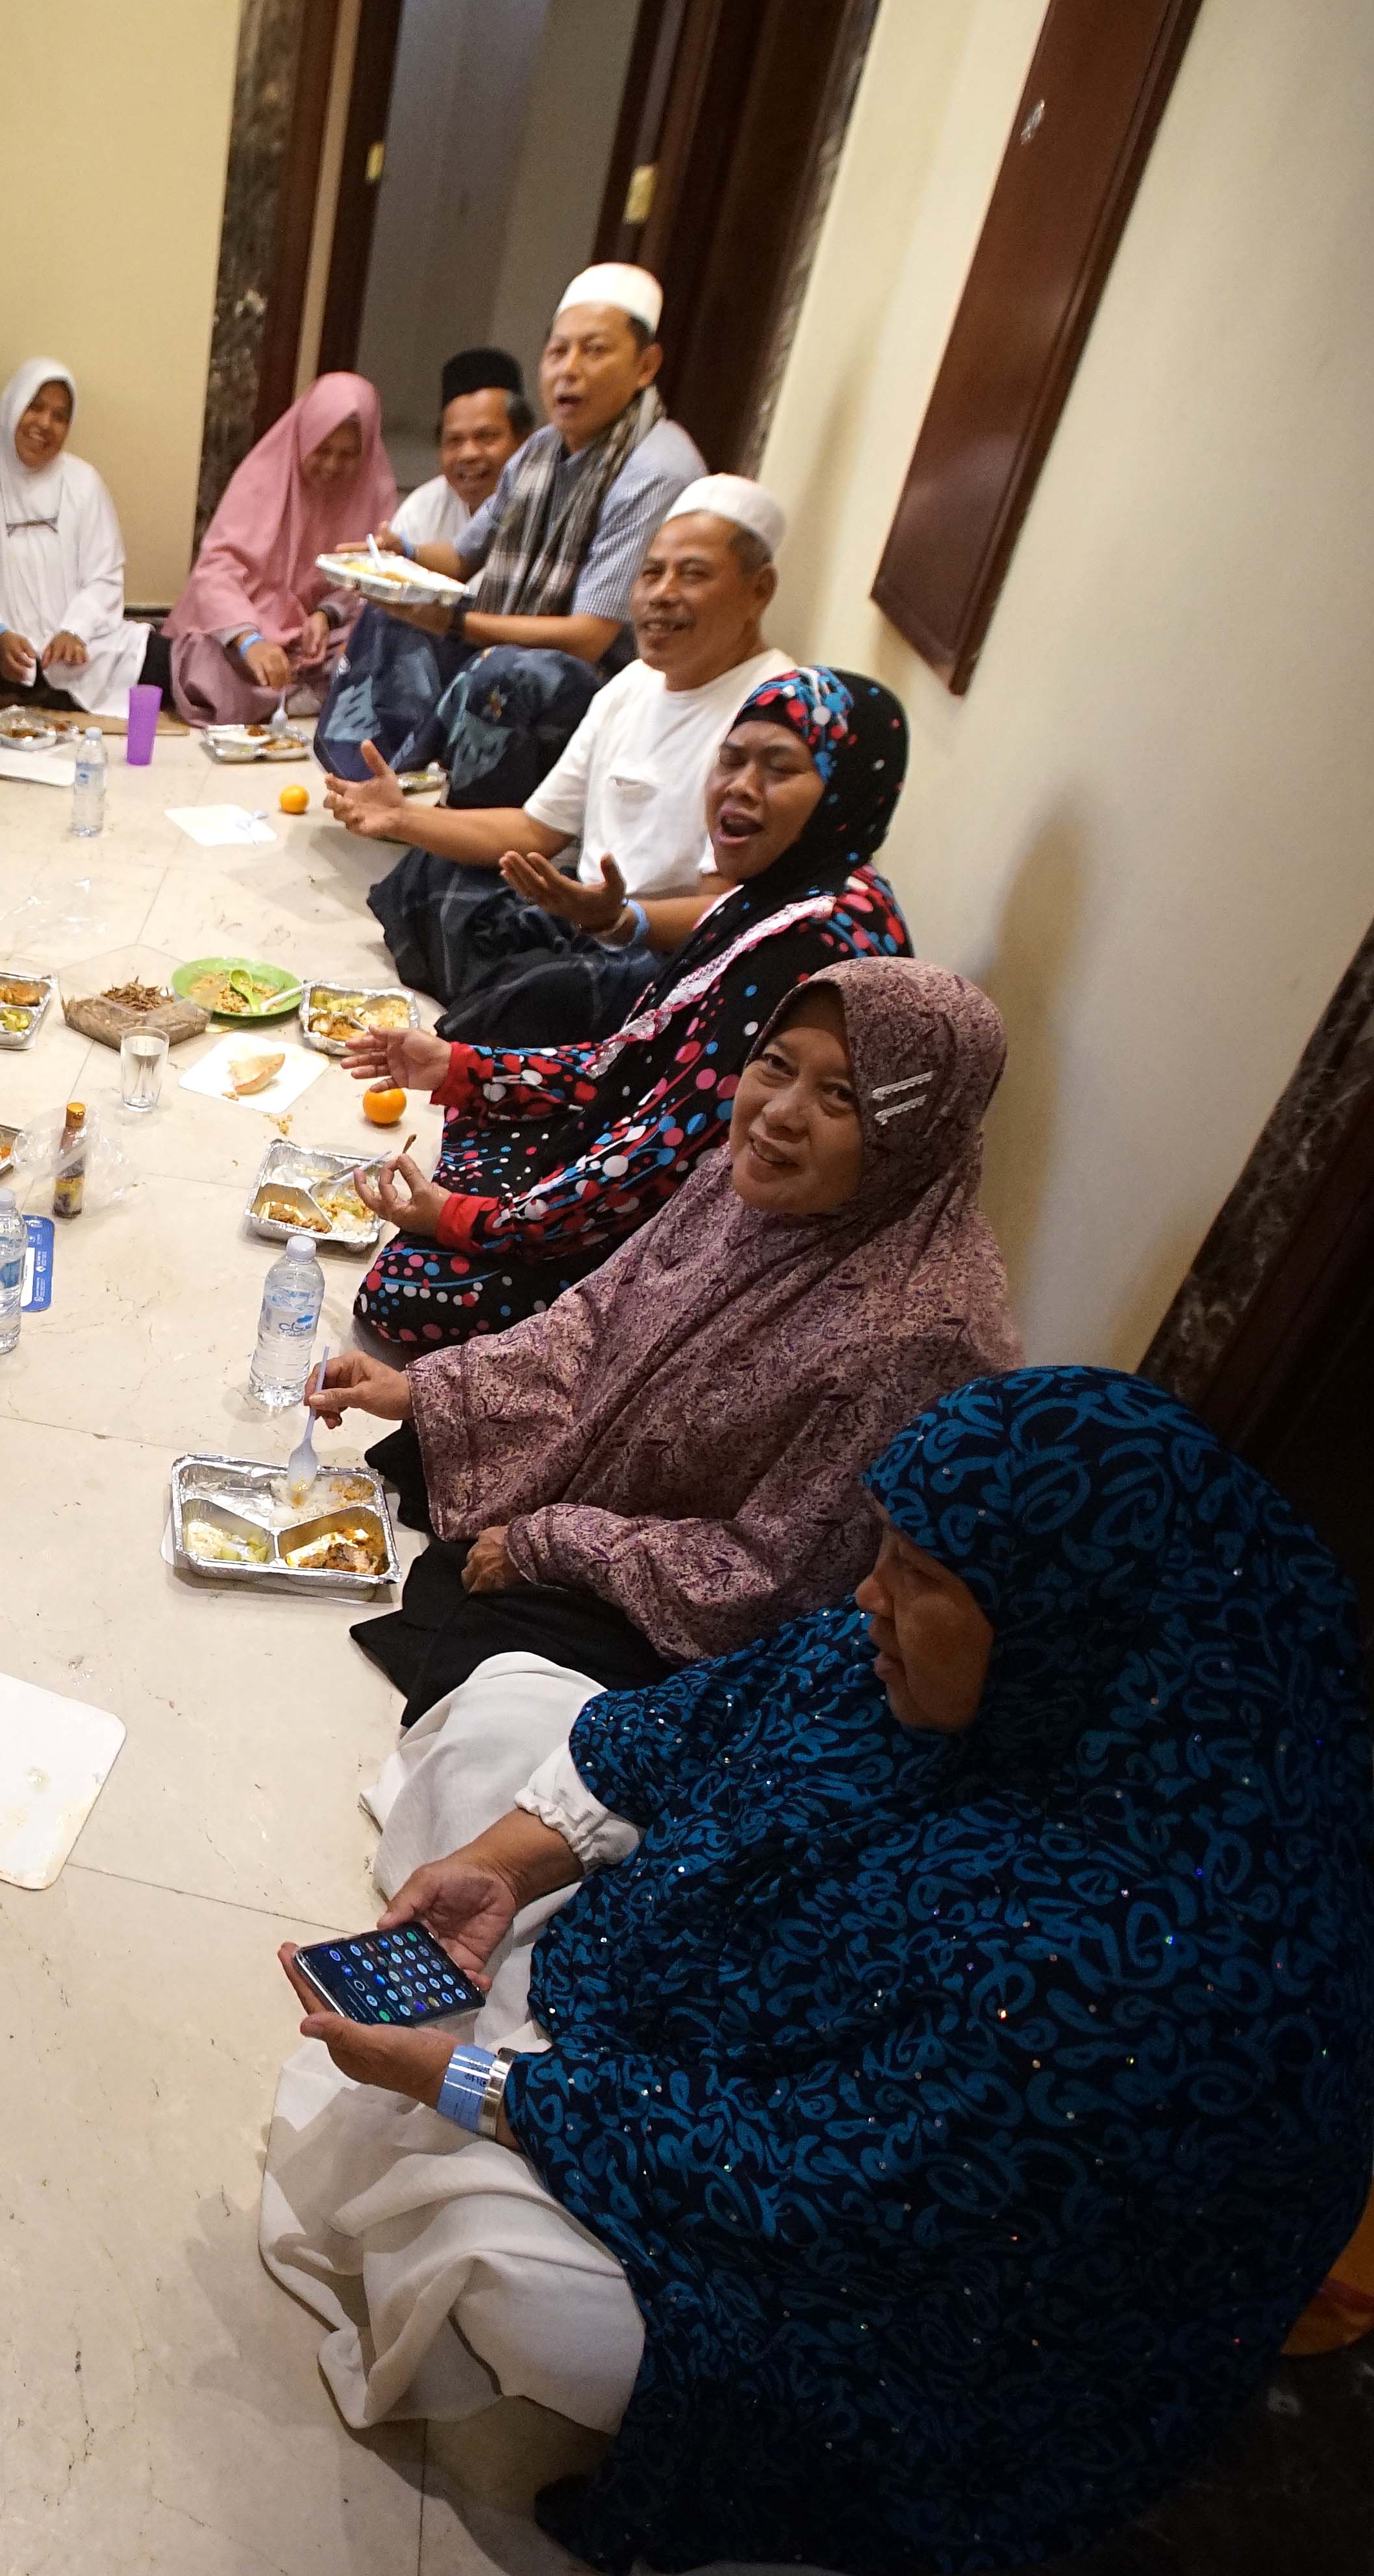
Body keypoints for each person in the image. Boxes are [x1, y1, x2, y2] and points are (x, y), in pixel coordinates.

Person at [260, 1366, 1374, 2576]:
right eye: (885, 1549)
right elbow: (703, 1720)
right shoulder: (980, 1664)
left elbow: (817, 2183)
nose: (868, 1598)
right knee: (507, 1704)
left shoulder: (1145, 1979)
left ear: (1068, 1622)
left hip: (915, 2287)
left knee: (499, 2267)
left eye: (918, 1577)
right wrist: (508, 1867)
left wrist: (477, 2087)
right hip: (743, 2041)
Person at [309, 958, 1018, 1723]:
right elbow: (598, 1318)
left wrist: (555, 1542)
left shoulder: (921, 1335)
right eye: (774, 1066)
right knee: (418, 1452)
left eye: (839, 1096)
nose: (779, 1114)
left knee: (496, 1656)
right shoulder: (745, 1180)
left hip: (709, 1617)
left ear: (910, 1126)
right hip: (622, 1493)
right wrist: (423, 1389)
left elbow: (775, 1578)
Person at [333, 667, 914, 1351]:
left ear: (845, 789)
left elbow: (658, 1157)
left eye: (779, 768)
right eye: (730, 760)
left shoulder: (808, 944)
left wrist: (463, 1220)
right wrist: (461, 1066)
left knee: (402, 1290)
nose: (740, 787)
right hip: (655, 1173)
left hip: (699, 1253)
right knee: (477, 1096)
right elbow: (636, 1058)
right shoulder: (786, 895)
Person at [335, 475, 793, 1044]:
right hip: (585, 916)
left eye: (693, 574)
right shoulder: (633, 683)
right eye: (651, 573)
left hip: (667, 954)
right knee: (431, 873)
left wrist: (622, 917)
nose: (662, 593)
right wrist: (403, 816)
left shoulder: (777, 713)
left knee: (537, 993)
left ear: (759, 590)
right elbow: (535, 829)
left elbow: (736, 909)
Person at [316, 266, 704, 796]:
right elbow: (461, 557)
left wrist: (456, 623)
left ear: (645, 366)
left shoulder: (655, 469)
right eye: (557, 352)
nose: (570, 371)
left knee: (504, 672)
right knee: (392, 615)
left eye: (594, 351)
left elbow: (590, 637)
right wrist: (396, 555)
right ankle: (375, 775)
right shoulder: (543, 451)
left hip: (609, 678)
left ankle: (480, 825)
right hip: (529, 643)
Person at [166, 370, 398, 724]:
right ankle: (294, 697)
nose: (333, 466)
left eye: (348, 454)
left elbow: (372, 576)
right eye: (322, 449)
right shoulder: (262, 477)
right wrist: (249, 641)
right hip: (249, 624)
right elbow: (215, 570)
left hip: (316, 639)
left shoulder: (373, 490)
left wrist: (326, 614)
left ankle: (288, 697)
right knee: (205, 660)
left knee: (375, 643)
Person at [0, 357, 152, 714]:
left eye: (60, 416)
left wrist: (75, 631)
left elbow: (106, 575)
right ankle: (38, 690)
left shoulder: (84, 484)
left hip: (80, 652)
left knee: (158, 657)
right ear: (13, 405)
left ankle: (43, 691)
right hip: (0, 655)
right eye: (35, 407)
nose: (44, 424)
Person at [384, 350, 531, 552]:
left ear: (525, 441)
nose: (468, 454)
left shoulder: (545, 510)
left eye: (486, 436)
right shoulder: (422, 510)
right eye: (455, 440)